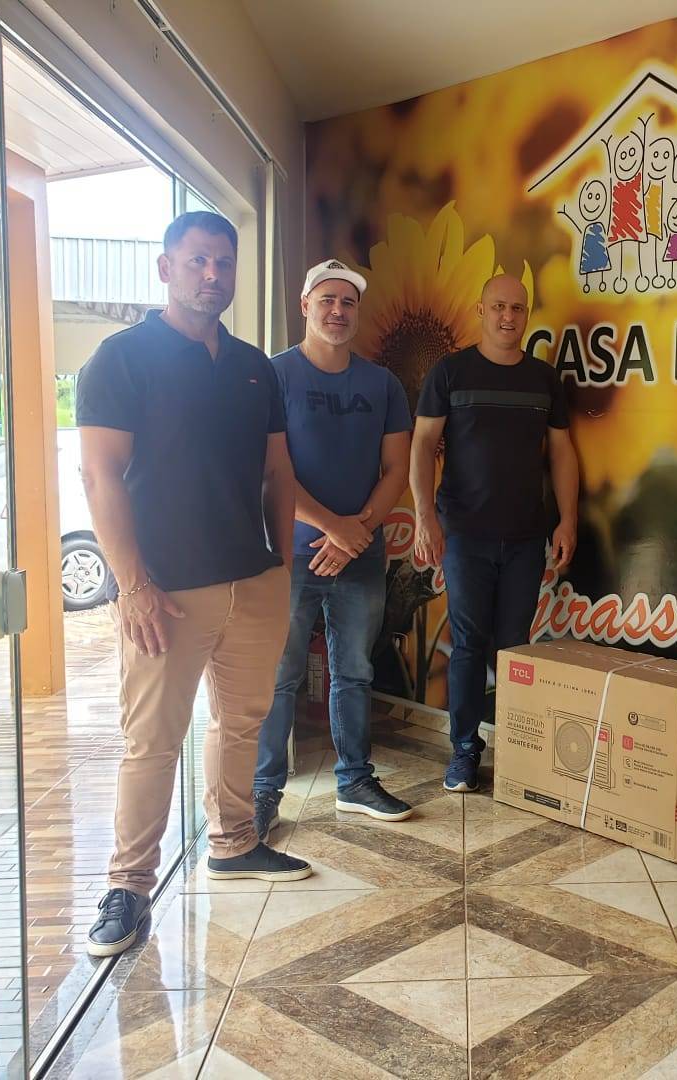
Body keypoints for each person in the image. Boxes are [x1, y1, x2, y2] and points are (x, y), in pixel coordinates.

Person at [77, 211, 312, 958]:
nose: (213, 274)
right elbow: (99, 476)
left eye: (224, 262)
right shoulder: (121, 358)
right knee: (152, 740)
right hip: (166, 593)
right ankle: (128, 886)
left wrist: (281, 565)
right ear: (166, 268)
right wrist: (132, 585)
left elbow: (278, 472)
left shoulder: (254, 368)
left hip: (252, 580)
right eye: (198, 261)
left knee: (241, 723)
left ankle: (234, 842)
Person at [251, 260, 415, 835]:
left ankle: (355, 781)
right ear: (305, 306)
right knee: (280, 675)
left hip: (361, 555)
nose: (338, 311)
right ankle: (263, 791)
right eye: (327, 300)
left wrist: (356, 533)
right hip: (287, 553)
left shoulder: (382, 384)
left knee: (355, 671)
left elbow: (396, 470)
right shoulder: (273, 376)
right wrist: (333, 527)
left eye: (348, 302)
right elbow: (271, 471)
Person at [410, 274, 579, 793]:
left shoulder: (543, 380)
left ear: (527, 314)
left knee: (515, 647)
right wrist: (424, 516)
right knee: (467, 644)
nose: (509, 317)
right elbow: (422, 445)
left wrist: (567, 519)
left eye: (518, 308)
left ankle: (517, 750)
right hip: (464, 533)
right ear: (480, 310)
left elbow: (562, 453)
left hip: (526, 537)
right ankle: (464, 751)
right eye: (499, 307)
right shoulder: (450, 372)